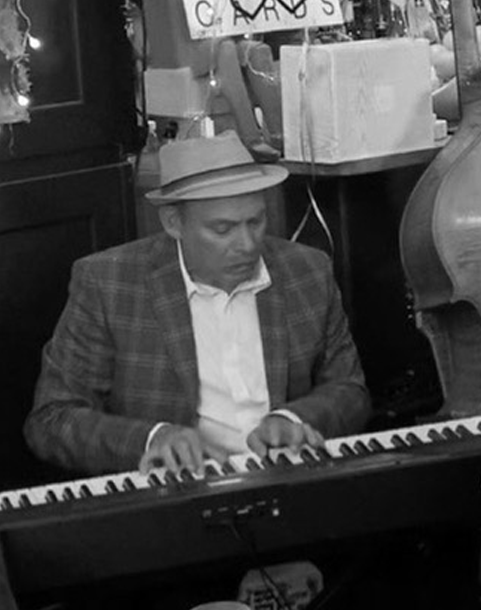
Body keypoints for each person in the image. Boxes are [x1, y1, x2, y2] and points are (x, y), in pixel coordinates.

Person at [23, 130, 371, 477]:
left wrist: (293, 419)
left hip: (287, 477)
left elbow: (351, 391)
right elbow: (52, 420)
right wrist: (153, 439)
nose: (248, 244)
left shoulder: (307, 270)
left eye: (255, 222)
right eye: (223, 229)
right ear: (173, 223)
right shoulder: (109, 283)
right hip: (175, 492)